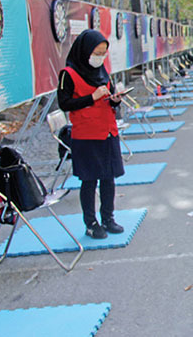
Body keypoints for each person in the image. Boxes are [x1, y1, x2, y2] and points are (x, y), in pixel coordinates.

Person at [57, 30, 125, 239]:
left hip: (107, 131)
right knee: (89, 180)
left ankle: (108, 218)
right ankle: (91, 222)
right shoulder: (68, 74)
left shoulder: (102, 71)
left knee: (109, 178)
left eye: (103, 52)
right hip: (86, 135)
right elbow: (64, 103)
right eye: (97, 52)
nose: (100, 57)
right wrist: (91, 97)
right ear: (86, 50)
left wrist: (115, 99)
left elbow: (109, 94)